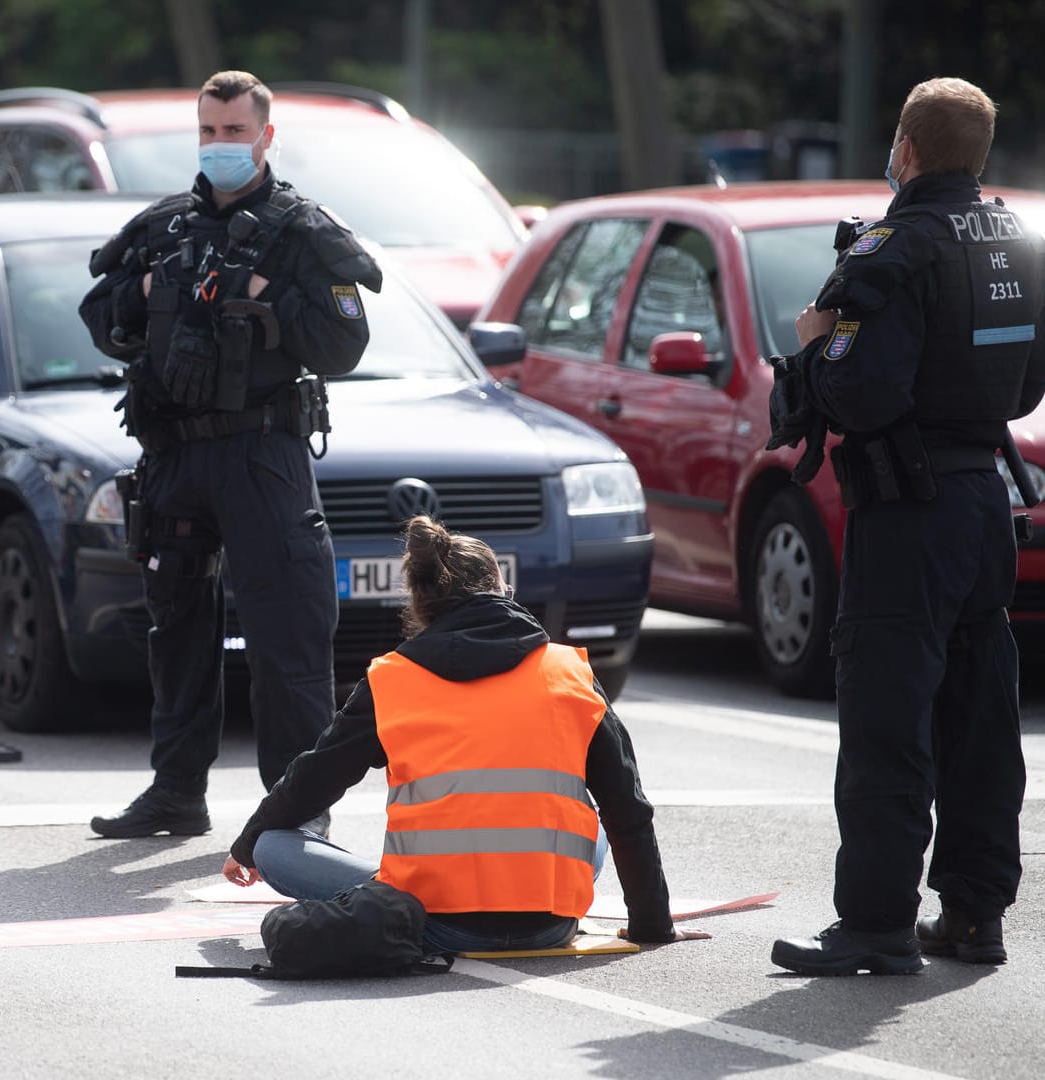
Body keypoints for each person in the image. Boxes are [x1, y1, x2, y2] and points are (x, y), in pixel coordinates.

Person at [769, 78, 1045, 975]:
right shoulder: (1018, 239)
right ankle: (973, 914)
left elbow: (861, 391)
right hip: (986, 505)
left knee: (889, 715)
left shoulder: (894, 248)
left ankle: (878, 924)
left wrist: (815, 346)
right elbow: (1029, 385)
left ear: (907, 148)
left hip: (908, 509)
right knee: (978, 717)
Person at [80, 70, 382, 838]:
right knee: (176, 630)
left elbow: (346, 343)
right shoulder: (162, 229)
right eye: (209, 132)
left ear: (265, 136)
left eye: (234, 132)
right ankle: (176, 793)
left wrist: (268, 301)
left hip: (260, 454)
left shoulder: (304, 233)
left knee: (288, 636)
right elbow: (98, 317)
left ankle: (297, 812)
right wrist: (140, 294)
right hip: (175, 457)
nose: (220, 146)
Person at [221, 516, 706, 954]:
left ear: (418, 602)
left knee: (273, 845)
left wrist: (246, 844)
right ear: (502, 588)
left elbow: (314, 777)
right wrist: (651, 926)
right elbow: (628, 809)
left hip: (433, 918)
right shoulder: (568, 671)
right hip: (551, 921)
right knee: (593, 822)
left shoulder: (392, 679)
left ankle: (387, 886)